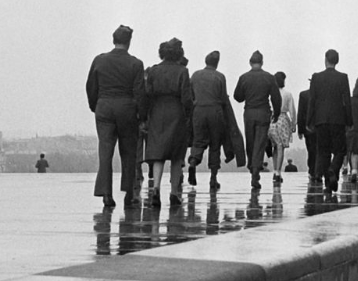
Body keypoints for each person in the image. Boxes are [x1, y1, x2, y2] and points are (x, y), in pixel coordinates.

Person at [87, 24, 145, 208]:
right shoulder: (136, 64)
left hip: (104, 106)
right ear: (129, 42)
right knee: (128, 151)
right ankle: (129, 192)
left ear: (114, 39)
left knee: (105, 152)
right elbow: (139, 92)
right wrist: (142, 115)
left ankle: (106, 193)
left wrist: (95, 105)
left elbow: (90, 87)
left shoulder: (99, 60)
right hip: (127, 108)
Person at [143, 39, 194, 207]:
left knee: (158, 153)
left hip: (158, 112)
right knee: (176, 155)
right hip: (176, 112)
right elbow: (186, 98)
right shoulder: (182, 71)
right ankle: (174, 192)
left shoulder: (154, 71)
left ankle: (156, 188)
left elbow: (147, 93)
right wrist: (188, 114)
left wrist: (146, 115)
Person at [188, 50, 245, 191]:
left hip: (199, 111)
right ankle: (213, 179)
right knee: (215, 144)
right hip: (215, 112)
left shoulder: (195, 75)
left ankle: (193, 163)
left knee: (198, 141)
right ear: (217, 63)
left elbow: (190, 95)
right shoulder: (220, 77)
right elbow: (223, 98)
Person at [307, 49, 353, 195]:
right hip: (338, 119)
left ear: (325, 59)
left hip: (321, 119)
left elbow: (312, 100)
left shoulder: (316, 77)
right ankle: (333, 170)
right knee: (340, 150)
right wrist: (349, 120)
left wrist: (309, 120)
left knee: (324, 151)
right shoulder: (343, 77)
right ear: (337, 61)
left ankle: (329, 183)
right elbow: (347, 100)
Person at [233, 51, 281, 189]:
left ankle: (252, 167)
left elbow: (238, 97)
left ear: (250, 62)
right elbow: (276, 98)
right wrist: (276, 113)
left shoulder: (244, 77)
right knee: (260, 144)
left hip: (249, 113)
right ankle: (256, 170)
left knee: (251, 142)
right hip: (263, 113)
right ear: (262, 62)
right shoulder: (269, 77)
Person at [268, 71, 297, 184]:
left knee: (275, 146)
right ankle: (278, 172)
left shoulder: (270, 94)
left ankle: (275, 170)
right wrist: (294, 124)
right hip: (283, 119)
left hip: (271, 120)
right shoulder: (287, 94)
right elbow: (292, 110)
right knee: (281, 147)